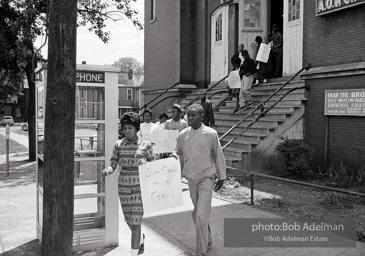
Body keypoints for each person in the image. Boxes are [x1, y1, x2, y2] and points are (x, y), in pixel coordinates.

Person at [175, 104, 226, 256]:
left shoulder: (211, 134)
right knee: (198, 213)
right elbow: (178, 153)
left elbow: (218, 155)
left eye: (193, 115)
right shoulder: (183, 134)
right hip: (190, 178)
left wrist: (222, 176)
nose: (189, 118)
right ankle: (208, 239)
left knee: (200, 215)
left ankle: (201, 252)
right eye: (188, 115)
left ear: (202, 116)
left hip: (206, 177)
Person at [102, 112, 154, 256]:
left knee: (136, 221)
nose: (126, 131)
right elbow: (113, 162)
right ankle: (140, 239)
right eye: (124, 128)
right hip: (123, 185)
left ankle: (133, 252)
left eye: (130, 128)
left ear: (136, 128)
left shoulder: (146, 145)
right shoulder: (118, 144)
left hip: (139, 187)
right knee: (128, 219)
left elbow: (152, 164)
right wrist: (108, 170)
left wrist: (145, 163)